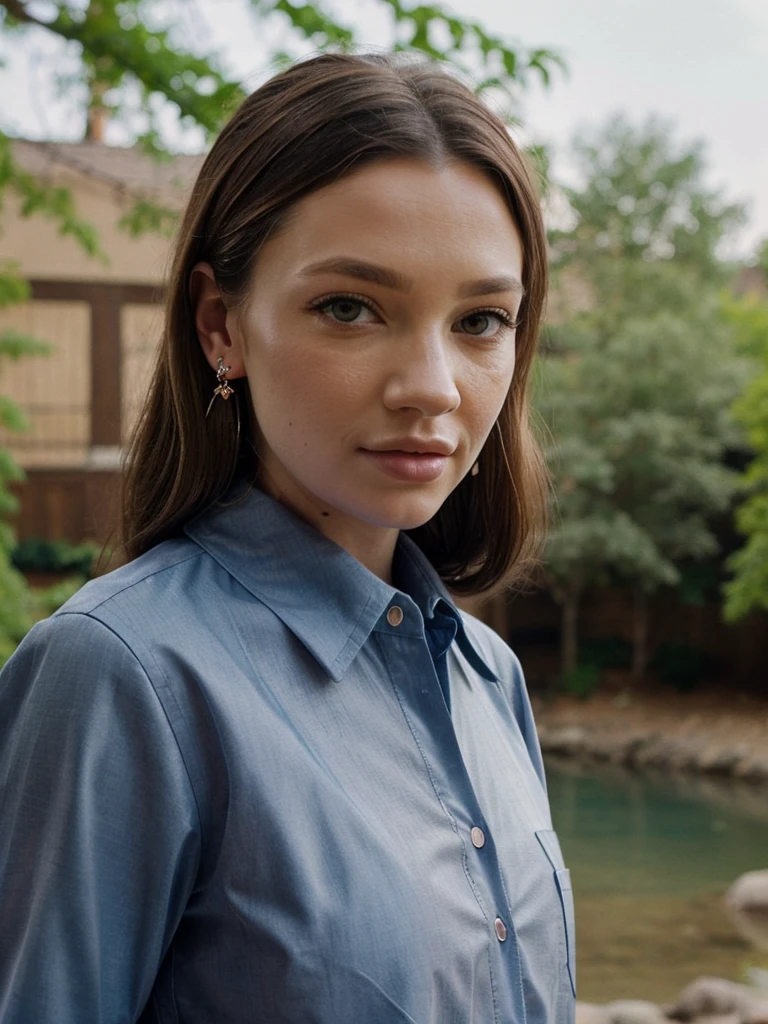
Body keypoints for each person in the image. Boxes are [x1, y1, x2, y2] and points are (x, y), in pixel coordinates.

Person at [0, 52, 576, 1024]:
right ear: (221, 324)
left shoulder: (490, 676)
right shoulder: (121, 677)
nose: (433, 386)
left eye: (481, 319)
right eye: (349, 308)